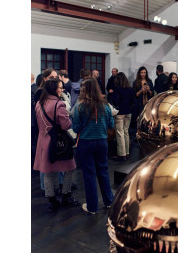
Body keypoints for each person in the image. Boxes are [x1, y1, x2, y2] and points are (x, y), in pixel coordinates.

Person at [33, 78, 80, 212]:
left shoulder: (39, 103)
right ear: (54, 89)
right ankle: (66, 195)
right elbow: (66, 125)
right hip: (59, 142)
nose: (62, 89)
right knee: (70, 168)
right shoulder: (59, 104)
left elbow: (38, 124)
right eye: (60, 87)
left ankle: (52, 200)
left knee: (48, 172)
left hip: (43, 141)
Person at [73, 78, 114, 214]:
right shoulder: (106, 106)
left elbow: (75, 127)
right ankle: (109, 202)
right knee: (103, 171)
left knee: (89, 175)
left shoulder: (80, 106)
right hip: (102, 142)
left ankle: (92, 207)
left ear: (84, 90)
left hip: (86, 142)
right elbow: (111, 125)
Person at [110, 72, 134, 161]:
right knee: (126, 132)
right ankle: (127, 152)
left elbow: (115, 100)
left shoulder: (116, 88)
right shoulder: (130, 89)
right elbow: (132, 101)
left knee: (120, 133)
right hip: (128, 112)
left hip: (120, 112)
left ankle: (121, 154)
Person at [31, 73, 38, 165]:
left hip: (33, 120)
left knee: (32, 142)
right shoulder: (35, 88)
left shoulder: (32, 89)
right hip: (34, 120)